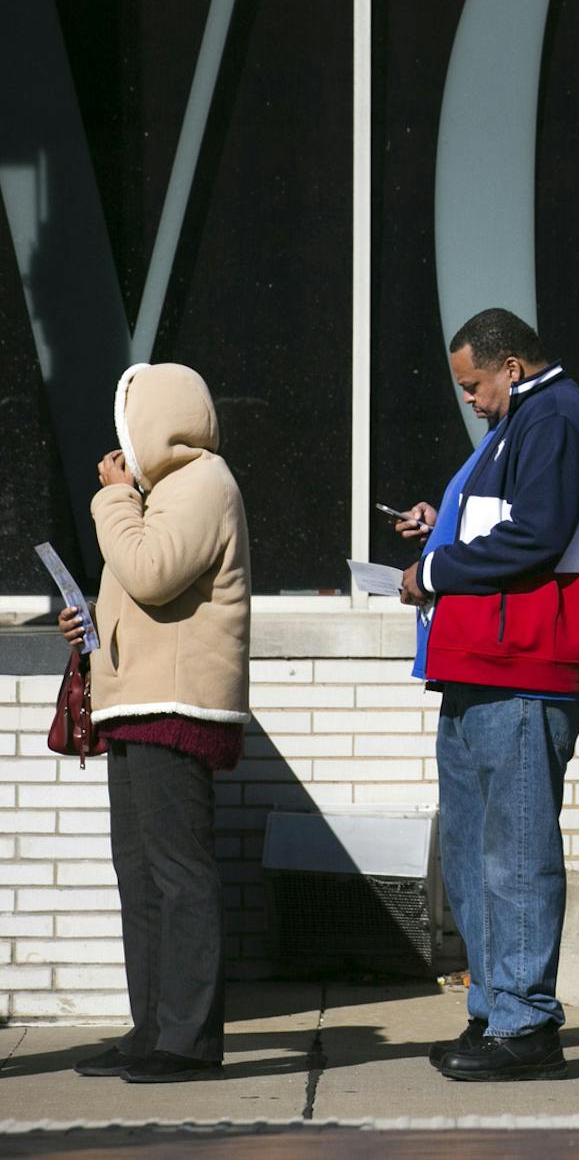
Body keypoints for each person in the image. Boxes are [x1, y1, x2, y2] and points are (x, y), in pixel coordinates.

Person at [392, 309, 579, 1083]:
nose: (472, 401)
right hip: (484, 663)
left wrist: (437, 570)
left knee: (513, 849)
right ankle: (495, 1011)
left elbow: (536, 534)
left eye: (475, 385)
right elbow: (504, 522)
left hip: (527, 664)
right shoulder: (522, 424)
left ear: (512, 366)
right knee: (475, 847)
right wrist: (439, 524)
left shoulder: (553, 415)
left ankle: (524, 1021)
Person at [60, 363, 249, 1084]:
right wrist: (87, 623)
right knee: (139, 872)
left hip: (175, 704)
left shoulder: (203, 483)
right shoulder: (162, 493)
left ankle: (191, 1041)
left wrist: (112, 504)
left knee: (178, 872)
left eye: (126, 426)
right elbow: (140, 594)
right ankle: (154, 1030)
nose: (121, 446)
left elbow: (152, 572)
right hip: (136, 701)